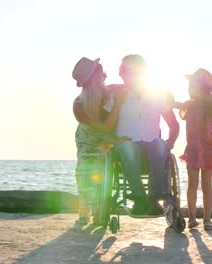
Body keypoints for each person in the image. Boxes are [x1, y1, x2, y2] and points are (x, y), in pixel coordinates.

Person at [106, 54, 180, 215]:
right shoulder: (114, 96)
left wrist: (171, 142)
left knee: (160, 144)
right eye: (123, 69)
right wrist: (115, 140)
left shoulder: (157, 96)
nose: (123, 72)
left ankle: (154, 199)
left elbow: (173, 124)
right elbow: (107, 125)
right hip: (125, 148)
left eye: (128, 70)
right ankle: (139, 200)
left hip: (152, 148)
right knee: (126, 147)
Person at [71, 57, 128, 225]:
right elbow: (101, 129)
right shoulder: (79, 104)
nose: (106, 76)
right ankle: (85, 212)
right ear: (95, 78)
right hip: (88, 140)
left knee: (103, 173)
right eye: (102, 73)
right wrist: (118, 105)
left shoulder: (111, 91)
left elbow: (133, 88)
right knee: (85, 173)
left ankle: (99, 210)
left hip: (107, 140)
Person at [175, 68, 212, 230]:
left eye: (192, 85)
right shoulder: (190, 106)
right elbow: (178, 106)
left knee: (206, 184)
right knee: (192, 184)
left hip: (208, 151)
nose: (189, 89)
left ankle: (207, 219)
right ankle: (191, 218)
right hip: (192, 149)